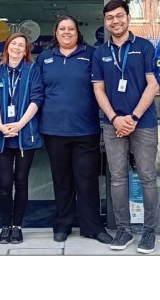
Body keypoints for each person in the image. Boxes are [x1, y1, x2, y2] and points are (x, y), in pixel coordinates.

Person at [92, 0, 160, 253]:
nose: (115, 21)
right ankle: (123, 230)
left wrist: (132, 118)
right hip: (112, 125)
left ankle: (149, 231)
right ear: (106, 22)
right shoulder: (100, 52)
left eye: (119, 16)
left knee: (148, 178)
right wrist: (114, 118)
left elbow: (153, 85)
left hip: (143, 123)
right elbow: (98, 89)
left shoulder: (143, 47)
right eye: (110, 18)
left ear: (128, 18)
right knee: (118, 179)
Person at [38, 16, 112, 244]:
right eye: (62, 29)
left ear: (78, 32)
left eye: (71, 29)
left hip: (85, 129)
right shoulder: (45, 57)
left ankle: (92, 227)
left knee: (87, 180)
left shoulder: (91, 54)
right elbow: (36, 93)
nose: (67, 32)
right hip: (53, 130)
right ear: (56, 32)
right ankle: (63, 225)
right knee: (61, 180)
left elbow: (102, 86)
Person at [0, 33, 44, 245]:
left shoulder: (33, 70)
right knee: (5, 183)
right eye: (14, 44)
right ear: (7, 47)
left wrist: (20, 124)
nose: (18, 48)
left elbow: (37, 98)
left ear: (26, 50)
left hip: (25, 135)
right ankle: (5, 226)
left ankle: (17, 226)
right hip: (3, 136)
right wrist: (1, 125)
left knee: (21, 183)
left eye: (22, 45)